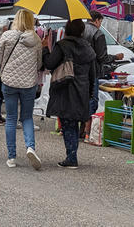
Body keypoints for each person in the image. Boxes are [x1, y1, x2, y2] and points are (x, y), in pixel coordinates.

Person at [42, 19, 96, 169]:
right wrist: (91, 92)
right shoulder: (88, 48)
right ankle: (72, 154)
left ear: (66, 30)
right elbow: (93, 74)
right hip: (82, 88)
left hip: (66, 88)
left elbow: (50, 63)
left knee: (67, 122)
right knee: (75, 121)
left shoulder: (63, 45)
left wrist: (45, 49)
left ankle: (71, 157)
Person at [0, 9, 44, 169]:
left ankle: (11, 157)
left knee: (10, 118)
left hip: (9, 82)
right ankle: (30, 147)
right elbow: (39, 64)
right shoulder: (36, 39)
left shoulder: (7, 36)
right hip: (29, 84)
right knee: (27, 118)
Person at [83, 10, 124, 136]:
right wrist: (116, 57)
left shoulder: (80, 29)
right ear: (96, 20)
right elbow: (102, 57)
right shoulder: (98, 34)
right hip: (92, 71)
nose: (101, 24)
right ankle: (86, 129)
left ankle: (80, 128)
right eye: (101, 21)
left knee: (81, 99)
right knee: (92, 100)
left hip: (79, 70)